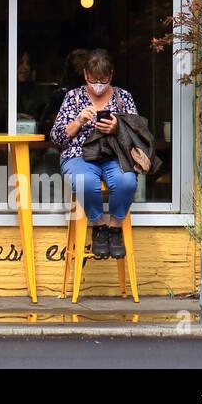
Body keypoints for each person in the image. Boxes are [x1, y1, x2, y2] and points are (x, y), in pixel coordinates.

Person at [49, 49, 138, 259]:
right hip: (79, 155)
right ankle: (98, 226)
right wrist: (78, 122)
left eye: (103, 79)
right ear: (85, 74)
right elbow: (56, 138)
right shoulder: (73, 97)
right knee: (84, 181)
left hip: (114, 156)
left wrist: (117, 127)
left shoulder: (123, 97)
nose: (98, 84)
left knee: (127, 181)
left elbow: (138, 134)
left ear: (111, 75)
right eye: (93, 79)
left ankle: (115, 228)